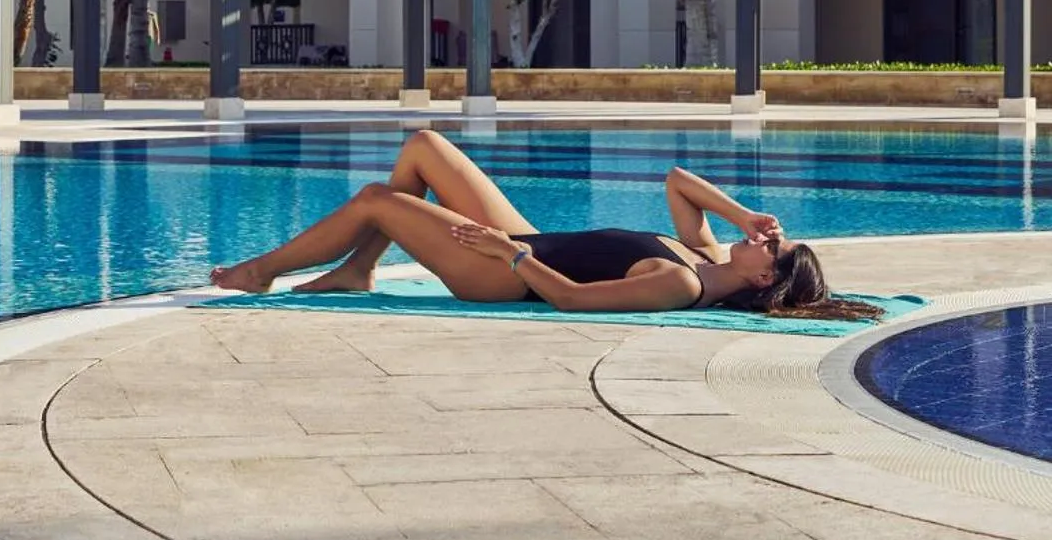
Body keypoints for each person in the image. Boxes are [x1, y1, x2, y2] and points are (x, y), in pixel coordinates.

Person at [210, 129, 881, 320]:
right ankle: (358, 269)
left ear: (763, 276)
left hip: (504, 274)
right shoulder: (704, 251)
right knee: (423, 146)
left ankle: (260, 272)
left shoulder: (681, 285)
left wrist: (508, 255)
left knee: (374, 199)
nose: (763, 238)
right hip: (525, 240)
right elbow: (677, 181)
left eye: (771, 246)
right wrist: (741, 213)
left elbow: (570, 298)